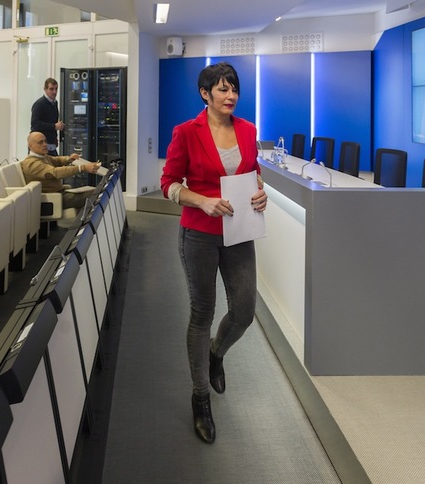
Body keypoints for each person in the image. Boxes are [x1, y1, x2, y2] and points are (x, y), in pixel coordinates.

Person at [160, 62, 269, 444]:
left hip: (239, 232)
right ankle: (200, 397)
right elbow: (169, 184)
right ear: (205, 94)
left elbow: (253, 172)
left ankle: (216, 353)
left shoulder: (248, 129)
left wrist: (261, 192)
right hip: (199, 234)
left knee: (244, 311)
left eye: (234, 89)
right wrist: (201, 201)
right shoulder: (186, 133)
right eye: (222, 89)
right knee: (202, 313)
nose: (231, 96)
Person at [21, 131, 100, 210]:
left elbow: (57, 160)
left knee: (95, 192)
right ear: (30, 146)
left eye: (45, 141)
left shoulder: (42, 157)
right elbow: (55, 172)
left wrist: (69, 159)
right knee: (96, 194)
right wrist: (82, 168)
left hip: (59, 194)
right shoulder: (31, 163)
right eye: (40, 142)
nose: (45, 144)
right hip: (53, 199)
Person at [31, 78, 64, 155]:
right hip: (40, 147)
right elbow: (35, 124)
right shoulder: (39, 104)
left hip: (51, 145)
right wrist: (54, 126)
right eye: (51, 89)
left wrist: (55, 138)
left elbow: (51, 121)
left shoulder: (54, 103)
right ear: (45, 89)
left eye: (56, 89)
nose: (54, 92)